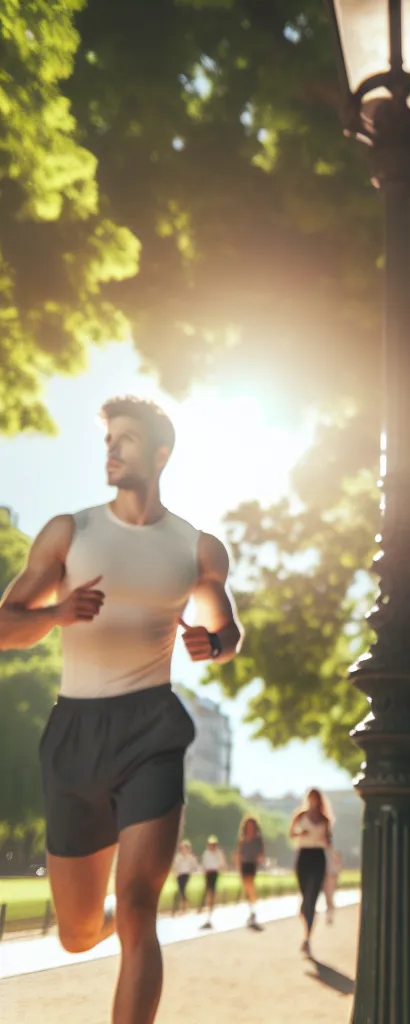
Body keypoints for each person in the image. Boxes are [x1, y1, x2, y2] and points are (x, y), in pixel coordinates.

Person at [0, 395, 243, 1024]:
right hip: (74, 733)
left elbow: (228, 631)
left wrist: (211, 643)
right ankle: (99, 920)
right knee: (78, 933)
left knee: (140, 906)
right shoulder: (69, 532)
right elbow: (5, 625)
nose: (111, 450)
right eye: (108, 439)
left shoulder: (197, 547)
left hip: (151, 729)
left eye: (126, 440)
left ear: (161, 454)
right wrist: (57, 613)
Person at [289, 788, 332, 957]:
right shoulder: (300, 816)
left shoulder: (324, 819)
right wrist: (301, 833)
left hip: (318, 857)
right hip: (304, 856)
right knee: (305, 896)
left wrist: (325, 841)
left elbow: (329, 841)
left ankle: (307, 937)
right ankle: (305, 912)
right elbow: (291, 834)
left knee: (312, 897)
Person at [235, 816, 265, 930]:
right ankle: (251, 906)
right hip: (244, 863)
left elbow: (261, 853)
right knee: (246, 886)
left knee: (250, 884)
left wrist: (259, 857)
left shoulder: (257, 839)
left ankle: (253, 908)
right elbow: (238, 852)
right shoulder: (243, 839)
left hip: (252, 863)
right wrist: (238, 863)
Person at [199, 835, 228, 930]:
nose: (212, 846)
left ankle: (210, 909)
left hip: (214, 873)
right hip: (208, 873)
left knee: (212, 892)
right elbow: (204, 863)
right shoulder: (206, 853)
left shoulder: (218, 853)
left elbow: (222, 864)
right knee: (208, 891)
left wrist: (222, 868)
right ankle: (207, 906)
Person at [171, 840, 198, 916]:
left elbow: (194, 866)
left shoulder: (191, 857)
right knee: (180, 890)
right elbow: (175, 866)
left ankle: (184, 907)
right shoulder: (178, 857)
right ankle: (180, 907)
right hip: (179, 875)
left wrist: (191, 871)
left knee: (182, 889)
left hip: (186, 875)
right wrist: (175, 873)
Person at [322, 844, 343, 925]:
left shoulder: (334, 851)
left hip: (332, 874)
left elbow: (338, 862)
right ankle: (329, 913)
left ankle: (330, 915)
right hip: (326, 874)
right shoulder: (323, 851)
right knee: (327, 896)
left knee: (330, 895)